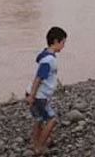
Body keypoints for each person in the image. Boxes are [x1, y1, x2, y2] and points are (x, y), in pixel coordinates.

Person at [26, 27, 67, 155]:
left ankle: (35, 144)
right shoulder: (49, 60)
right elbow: (39, 78)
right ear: (56, 41)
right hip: (39, 96)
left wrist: (31, 94)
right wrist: (32, 96)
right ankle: (40, 146)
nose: (64, 46)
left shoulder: (44, 55)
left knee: (38, 119)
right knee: (52, 119)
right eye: (63, 42)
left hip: (35, 94)